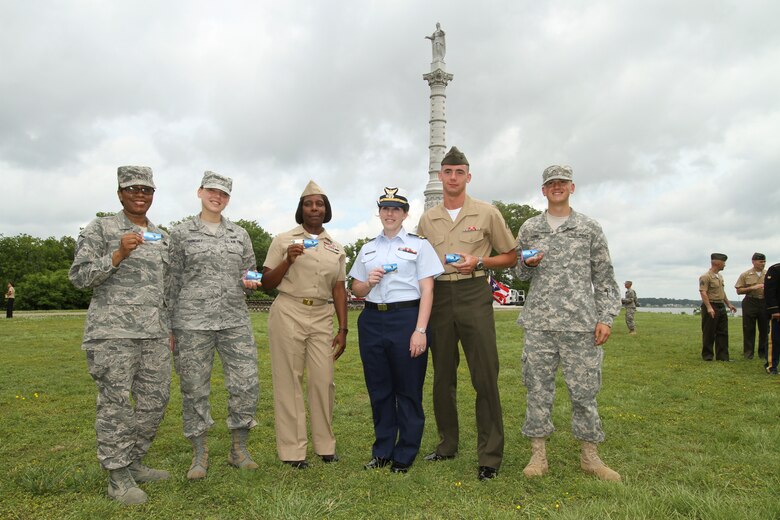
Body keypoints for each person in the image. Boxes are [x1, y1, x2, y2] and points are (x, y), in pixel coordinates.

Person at [68, 166, 171, 505]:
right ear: (120, 193)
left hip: (154, 334)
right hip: (112, 334)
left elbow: (167, 288)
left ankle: (134, 462)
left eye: (146, 190)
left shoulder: (161, 236)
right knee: (116, 406)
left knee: (155, 402)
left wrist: (169, 329)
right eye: (132, 189)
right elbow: (80, 276)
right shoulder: (101, 228)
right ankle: (117, 476)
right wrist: (117, 254)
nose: (140, 195)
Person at [417, 146, 518, 481]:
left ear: (468, 176)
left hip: (474, 291)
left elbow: (511, 255)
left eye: (459, 172)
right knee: (443, 375)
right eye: (448, 172)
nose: (453, 178)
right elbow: (415, 259)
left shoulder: (487, 213)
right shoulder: (427, 218)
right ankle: (447, 445)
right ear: (440, 176)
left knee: (484, 373)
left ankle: (489, 455)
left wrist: (480, 261)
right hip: (440, 295)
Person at [516, 165, 622, 481]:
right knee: (537, 389)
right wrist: (526, 263)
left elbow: (604, 276)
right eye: (551, 184)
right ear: (544, 190)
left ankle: (591, 457)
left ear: (571, 188)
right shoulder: (530, 228)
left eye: (562, 183)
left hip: (581, 325)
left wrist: (606, 317)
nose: (557, 187)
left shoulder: (589, 228)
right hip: (540, 323)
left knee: (585, 392)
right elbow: (520, 275)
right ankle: (538, 457)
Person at [168, 171, 261, 480]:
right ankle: (199, 453)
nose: (216, 197)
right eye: (211, 191)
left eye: (222, 193)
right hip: (192, 322)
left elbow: (251, 271)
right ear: (200, 192)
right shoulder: (180, 233)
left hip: (234, 320)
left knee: (246, 383)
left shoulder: (240, 234)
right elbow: (171, 281)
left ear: (228, 199)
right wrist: (169, 326)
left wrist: (252, 281)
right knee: (194, 387)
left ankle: (239, 449)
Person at [349, 188, 443, 473]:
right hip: (372, 319)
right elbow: (356, 288)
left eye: (396, 209)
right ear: (379, 212)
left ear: (405, 214)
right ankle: (383, 451)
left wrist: (420, 330)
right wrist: (369, 284)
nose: (390, 214)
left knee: (408, 389)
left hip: (406, 318)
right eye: (385, 209)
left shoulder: (420, 245)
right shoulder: (368, 248)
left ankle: (405, 453)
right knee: (379, 390)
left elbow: (428, 290)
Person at [261, 180, 348, 469]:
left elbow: (338, 288)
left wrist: (343, 329)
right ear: (301, 209)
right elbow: (266, 283)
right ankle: (292, 452)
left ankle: (326, 446)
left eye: (319, 204)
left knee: (323, 381)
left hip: (322, 316)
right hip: (288, 311)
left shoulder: (335, 247)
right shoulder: (284, 239)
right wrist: (288, 260)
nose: (314, 208)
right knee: (289, 381)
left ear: (326, 210)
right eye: (309, 204)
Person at [699, 253, 737, 361]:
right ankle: (707, 356)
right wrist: (709, 307)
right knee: (709, 332)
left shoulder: (719, 276)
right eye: (723, 262)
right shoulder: (706, 276)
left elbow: (722, 292)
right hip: (711, 305)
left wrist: (728, 304)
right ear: (717, 263)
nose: (725, 265)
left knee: (723, 332)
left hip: (720, 305)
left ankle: (723, 356)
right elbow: (703, 292)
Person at [734, 253, 768, 360]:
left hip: (764, 302)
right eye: (760, 261)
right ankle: (748, 354)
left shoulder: (768, 274)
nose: (763, 264)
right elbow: (739, 290)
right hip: (750, 301)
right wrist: (753, 287)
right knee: (748, 328)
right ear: (753, 261)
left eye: (764, 261)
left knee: (765, 329)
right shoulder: (745, 275)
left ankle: (763, 353)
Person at [764, 262, 780, 375]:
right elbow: (769, 291)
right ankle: (771, 366)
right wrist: (774, 310)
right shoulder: (775, 269)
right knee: (775, 340)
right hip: (778, 312)